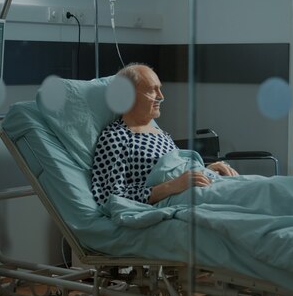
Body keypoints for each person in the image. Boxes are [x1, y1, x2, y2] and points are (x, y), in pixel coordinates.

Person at [91, 63, 238, 206]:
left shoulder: (162, 135)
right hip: (180, 198)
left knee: (255, 185)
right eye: (151, 90)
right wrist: (172, 186)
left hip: (202, 187)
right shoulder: (115, 137)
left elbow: (178, 170)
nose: (161, 96)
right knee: (256, 193)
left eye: (159, 89)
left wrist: (206, 171)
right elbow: (108, 198)